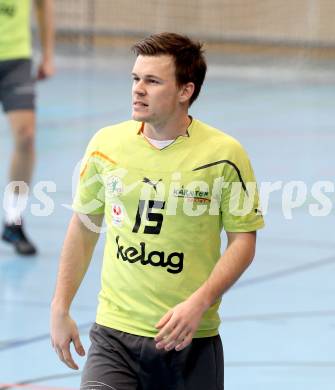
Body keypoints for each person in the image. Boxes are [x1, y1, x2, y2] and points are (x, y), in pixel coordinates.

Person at [50, 32, 264, 390]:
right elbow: (84, 228)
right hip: (114, 335)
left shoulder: (225, 154)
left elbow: (243, 240)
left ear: (185, 91)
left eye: (152, 81)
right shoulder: (106, 145)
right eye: (136, 79)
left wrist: (200, 302)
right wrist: (61, 305)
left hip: (188, 341)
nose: (138, 89)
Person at [1, 0, 54, 255]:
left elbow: (43, 6)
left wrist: (47, 55)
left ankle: (13, 218)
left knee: (26, 136)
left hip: (16, 60)